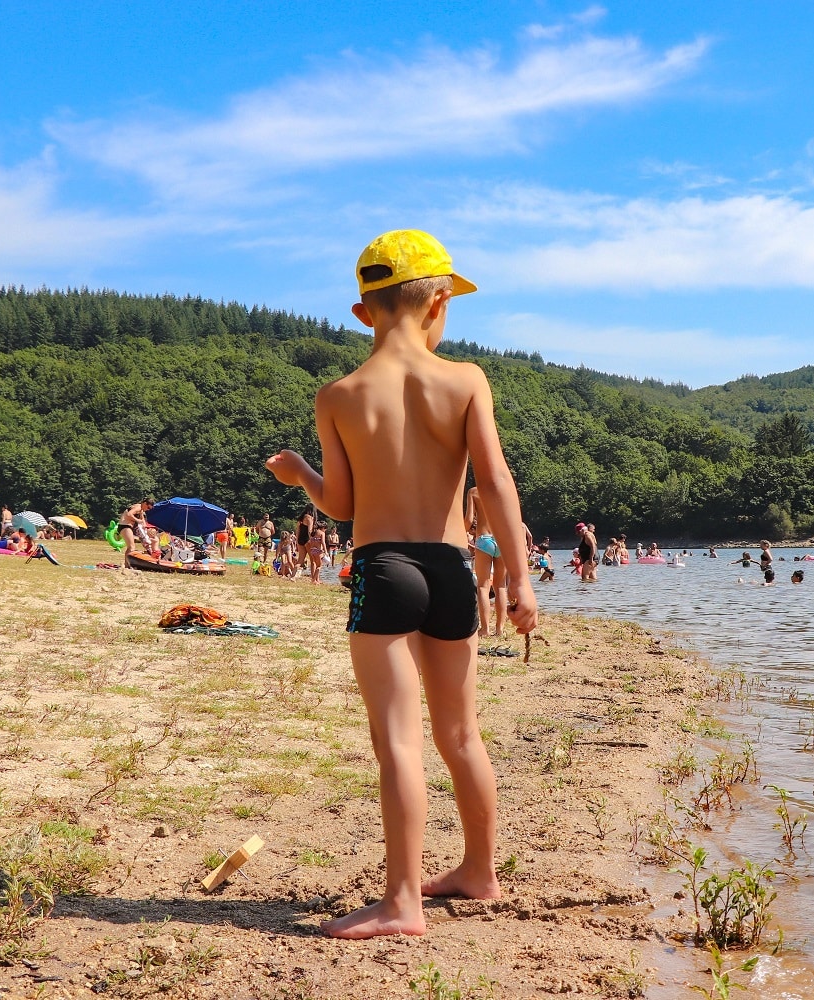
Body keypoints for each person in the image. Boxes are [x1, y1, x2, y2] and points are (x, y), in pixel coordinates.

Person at [265, 229, 535, 939]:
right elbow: (497, 483)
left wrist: (299, 475)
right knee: (460, 733)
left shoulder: (340, 395)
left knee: (398, 741)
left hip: (384, 568)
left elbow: (345, 507)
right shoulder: (467, 379)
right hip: (450, 567)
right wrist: (520, 580)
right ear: (440, 303)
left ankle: (403, 901)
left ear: (362, 314)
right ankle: (479, 871)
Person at [465, 486, 506, 637]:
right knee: (500, 585)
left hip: (483, 538)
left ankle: (485, 629)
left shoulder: (474, 491)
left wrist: (462, 530)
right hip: (502, 538)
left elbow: (469, 520)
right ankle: (500, 629)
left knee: (483, 585)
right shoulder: (505, 488)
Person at [117, 498, 154, 567]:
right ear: (145, 503)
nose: (148, 510)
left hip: (128, 527)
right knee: (131, 547)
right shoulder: (138, 507)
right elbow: (129, 514)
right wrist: (137, 520)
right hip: (125, 526)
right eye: (148, 507)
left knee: (130, 547)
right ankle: (127, 565)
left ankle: (127, 565)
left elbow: (142, 520)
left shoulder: (141, 510)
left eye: (150, 509)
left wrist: (146, 527)